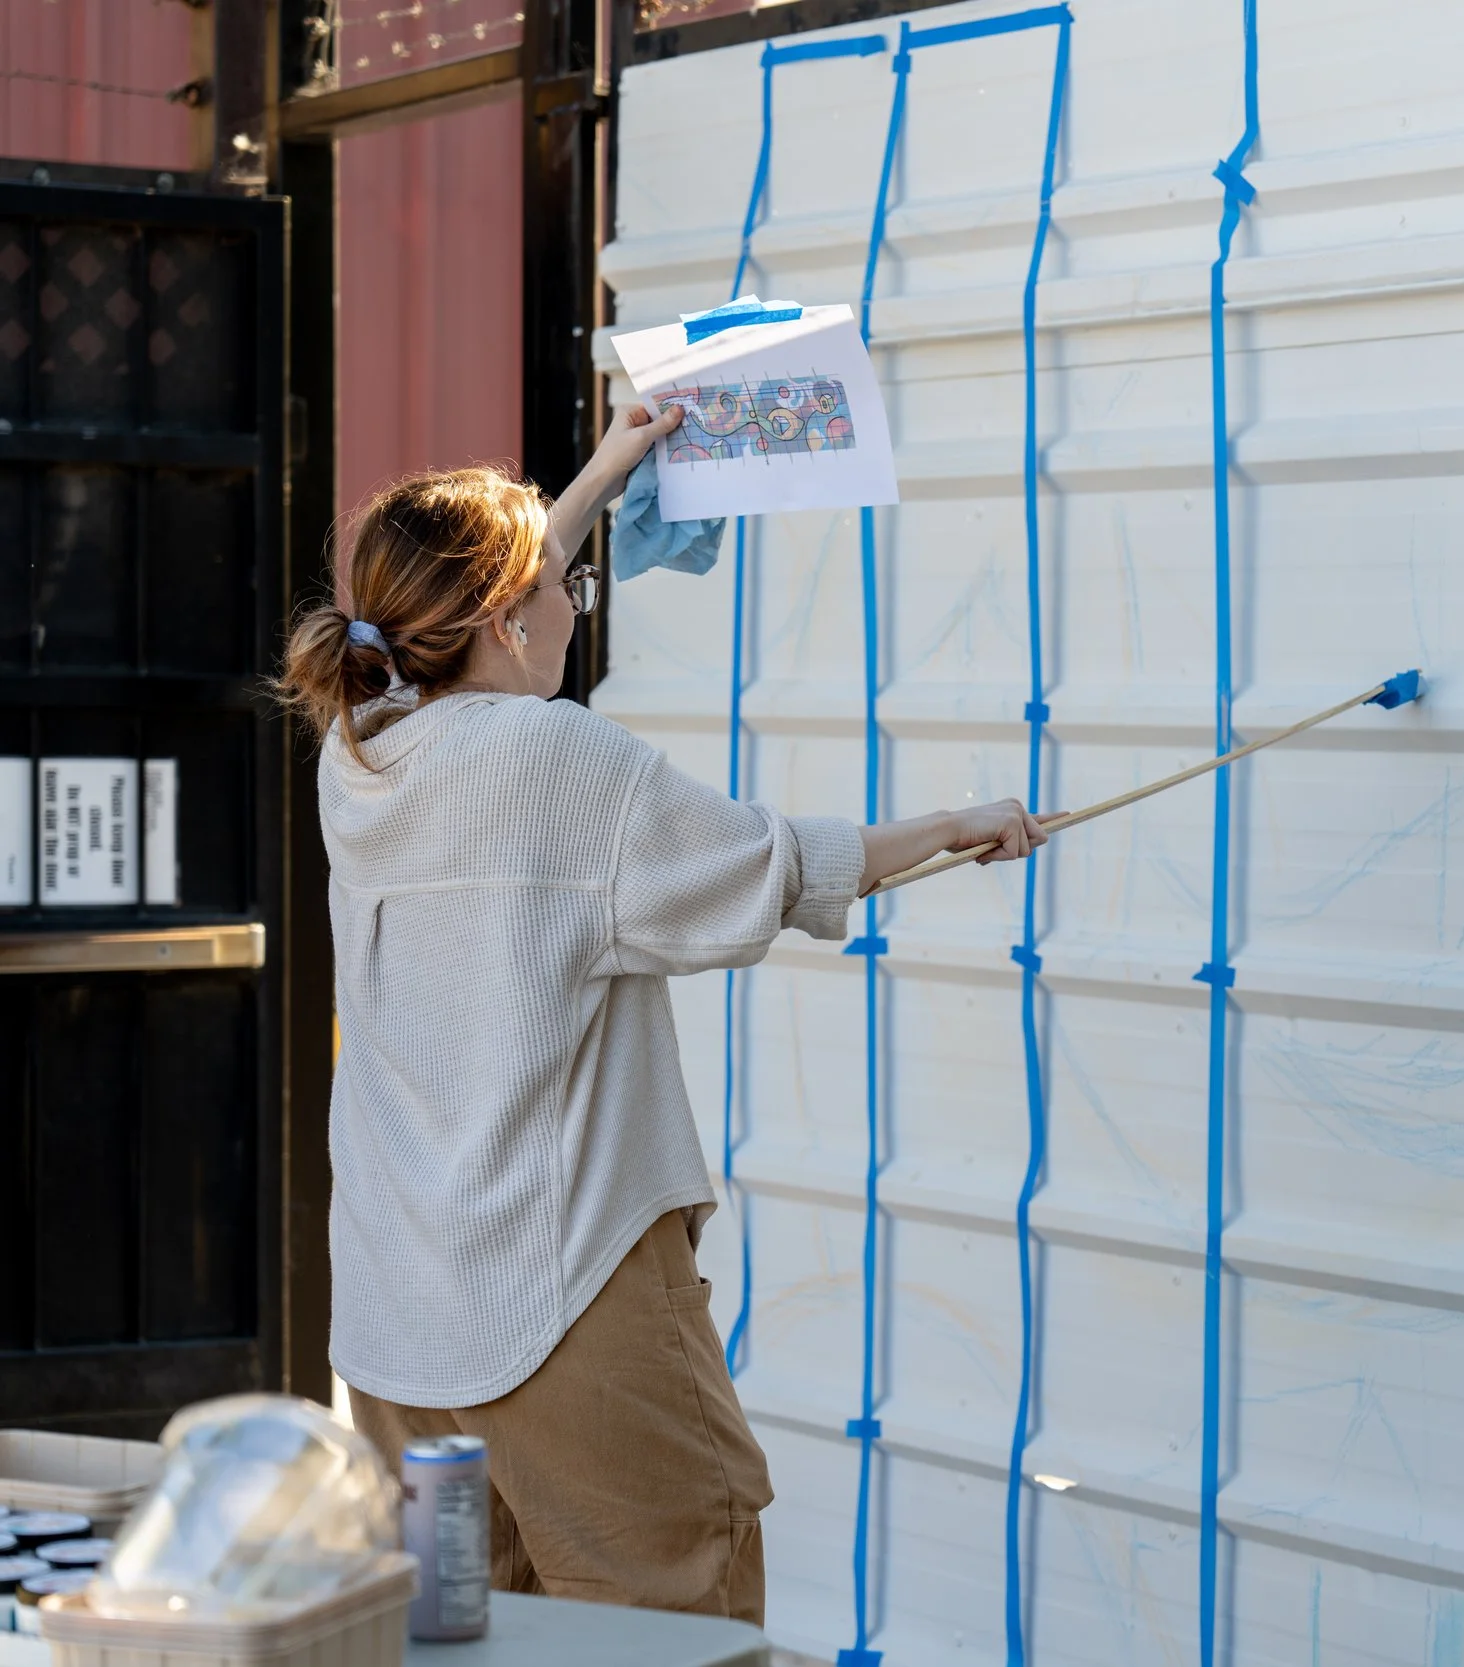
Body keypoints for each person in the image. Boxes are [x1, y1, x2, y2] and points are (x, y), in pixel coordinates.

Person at [276, 404, 1048, 1626]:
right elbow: (779, 865)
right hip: (562, 1301)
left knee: (467, 1637)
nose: (580, 604)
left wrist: (598, 474)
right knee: (666, 1625)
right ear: (500, 616)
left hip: (396, 1330)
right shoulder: (559, 761)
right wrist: (952, 828)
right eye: (564, 586)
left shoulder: (359, 749)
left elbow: (465, 625)